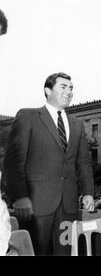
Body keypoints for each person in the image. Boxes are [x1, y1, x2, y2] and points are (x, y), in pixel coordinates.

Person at [3, 72, 95, 255]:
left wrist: (88, 193)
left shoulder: (77, 124)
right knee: (35, 252)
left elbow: (83, 162)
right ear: (47, 90)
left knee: (66, 251)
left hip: (68, 206)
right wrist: (19, 197)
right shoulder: (28, 116)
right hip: (35, 205)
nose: (69, 92)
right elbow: (13, 162)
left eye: (71, 88)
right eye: (63, 87)